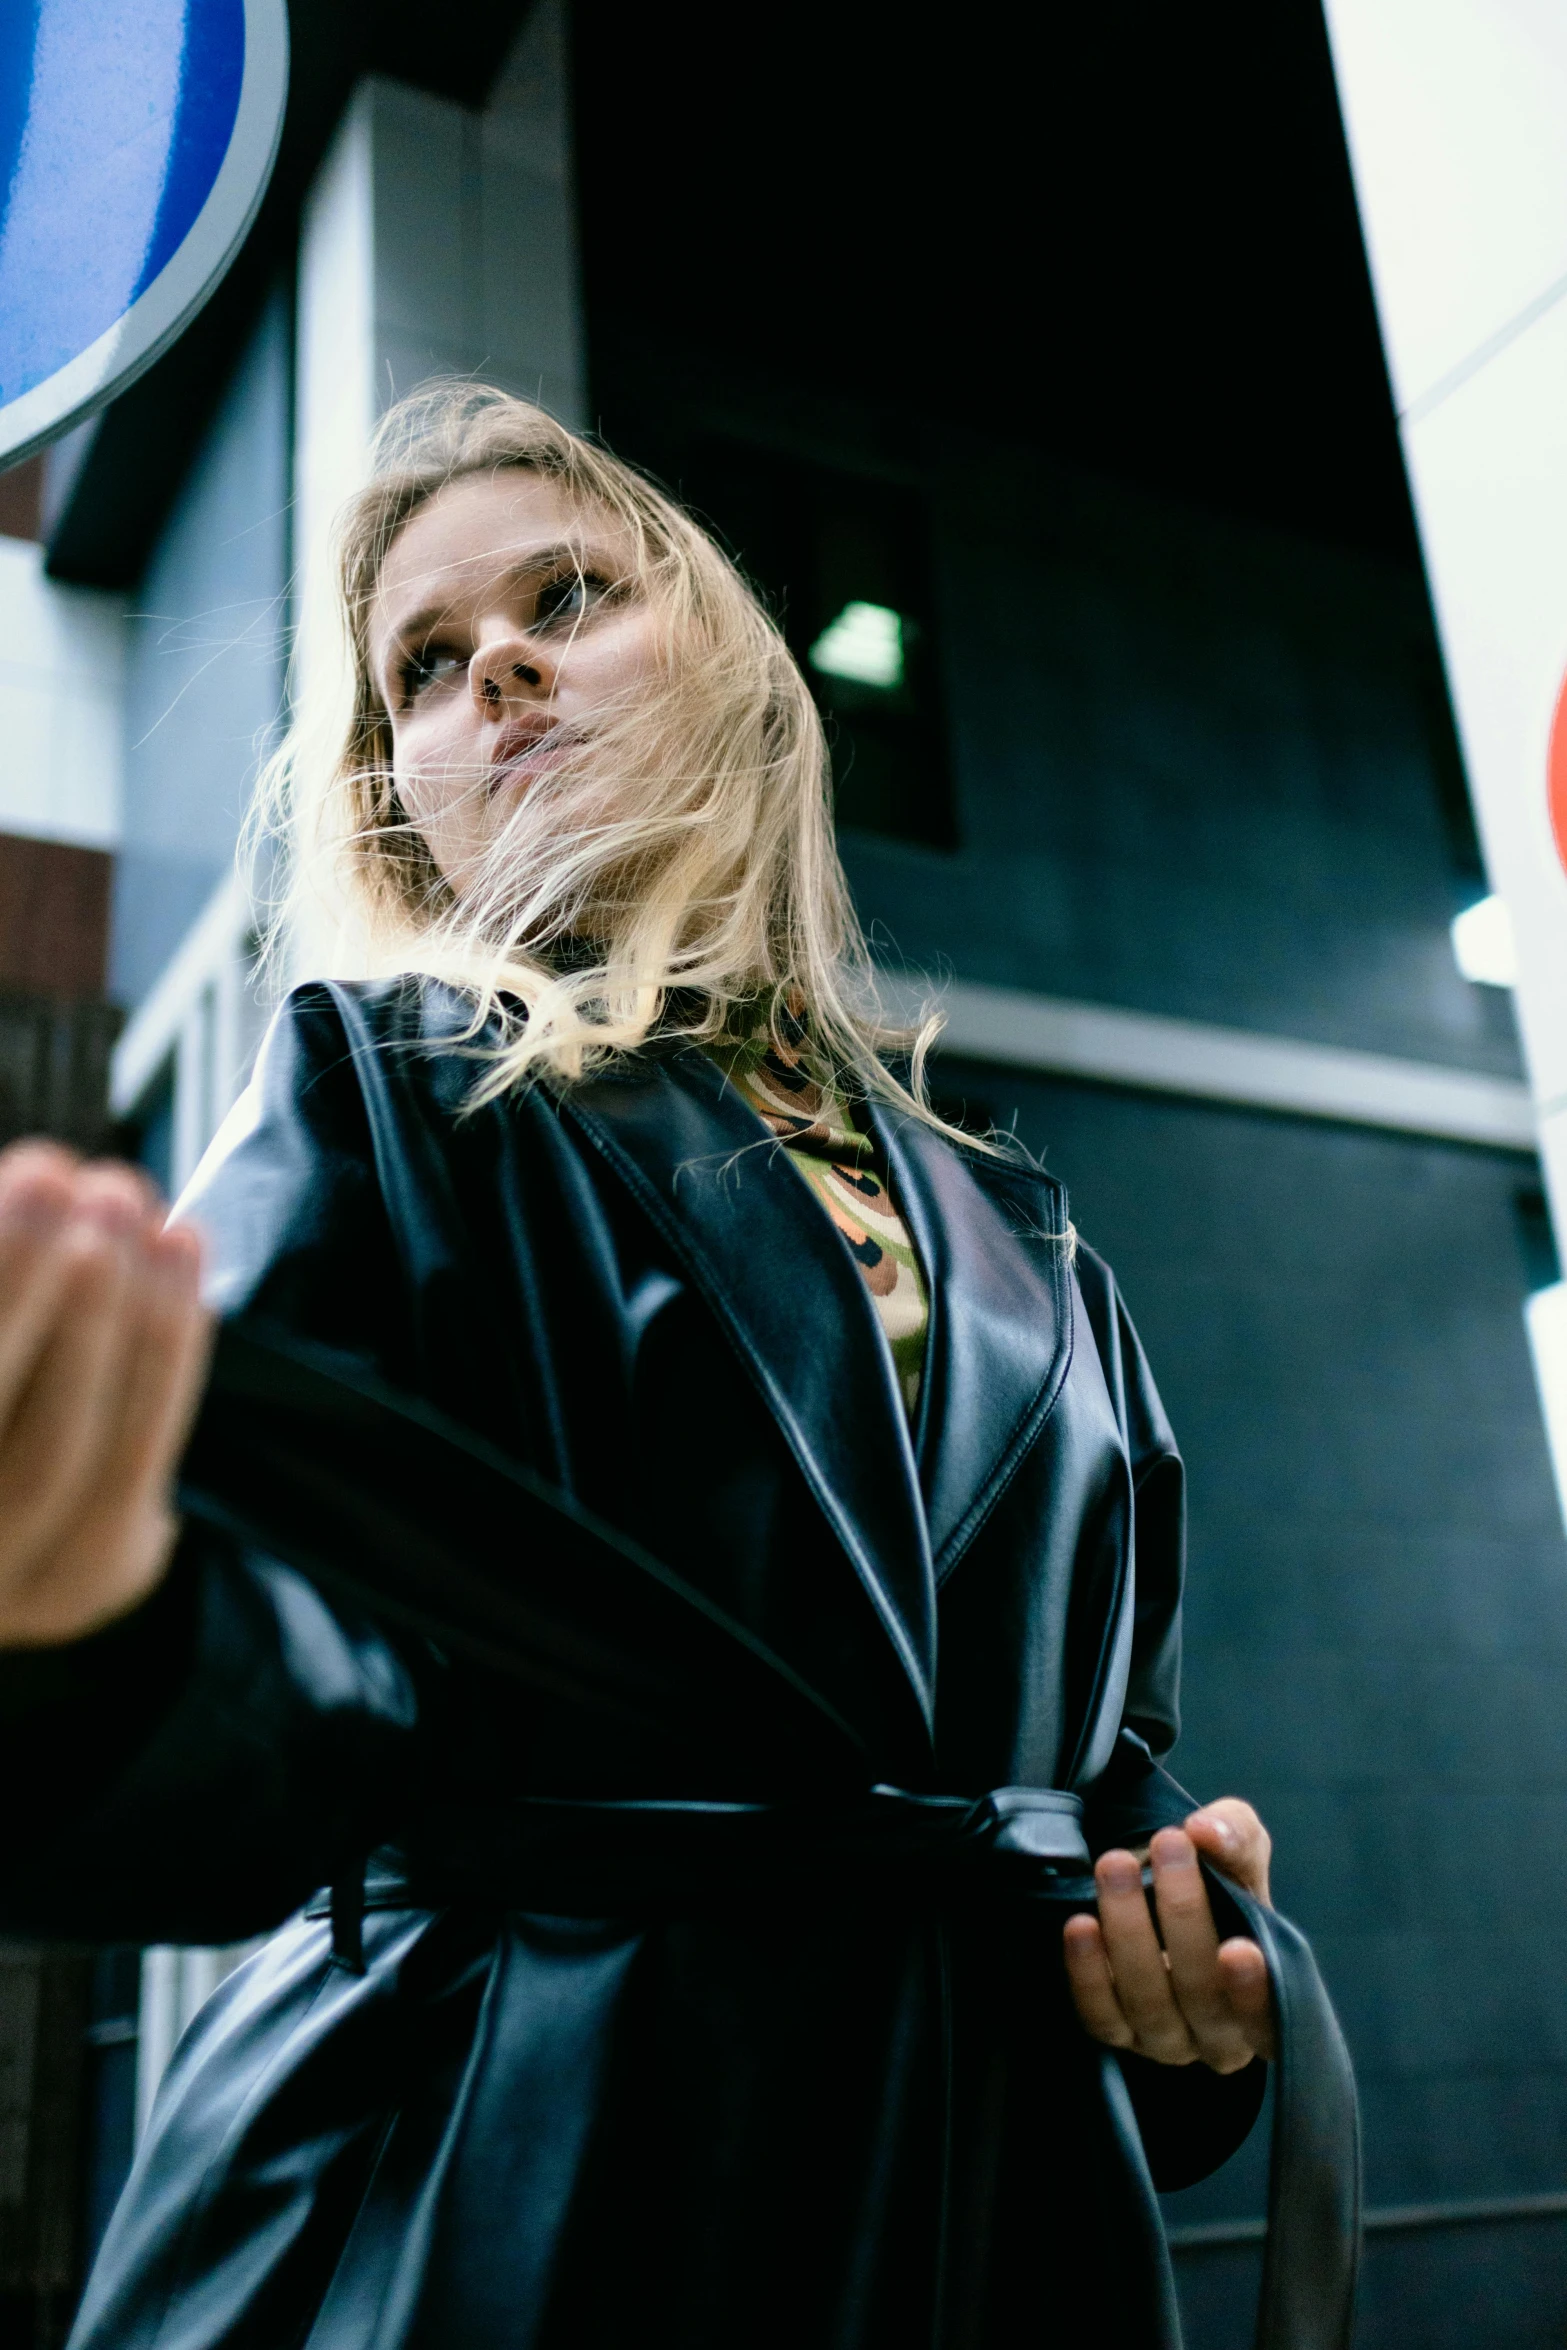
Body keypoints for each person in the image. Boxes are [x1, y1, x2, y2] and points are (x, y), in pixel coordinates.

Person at [0, 387, 1276, 2349]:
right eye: (423, 664)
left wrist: (1190, 1985)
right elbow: (273, 1672)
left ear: (738, 674)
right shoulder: (389, 1089)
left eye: (565, 594)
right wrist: (82, 1618)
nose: (493, 660)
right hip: (510, 2188)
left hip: (990, 2218)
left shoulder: (1043, 1241)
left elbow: (1102, 1777)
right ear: (394, 785)